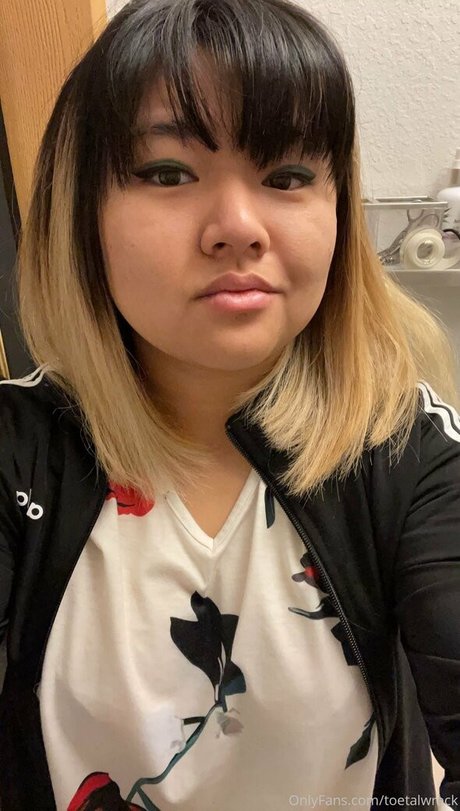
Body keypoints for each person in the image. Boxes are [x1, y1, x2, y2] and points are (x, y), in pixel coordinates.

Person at [0, 0, 459, 808]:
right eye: (167, 173)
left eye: (288, 177)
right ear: (82, 214)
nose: (239, 227)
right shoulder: (15, 451)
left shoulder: (406, 450)